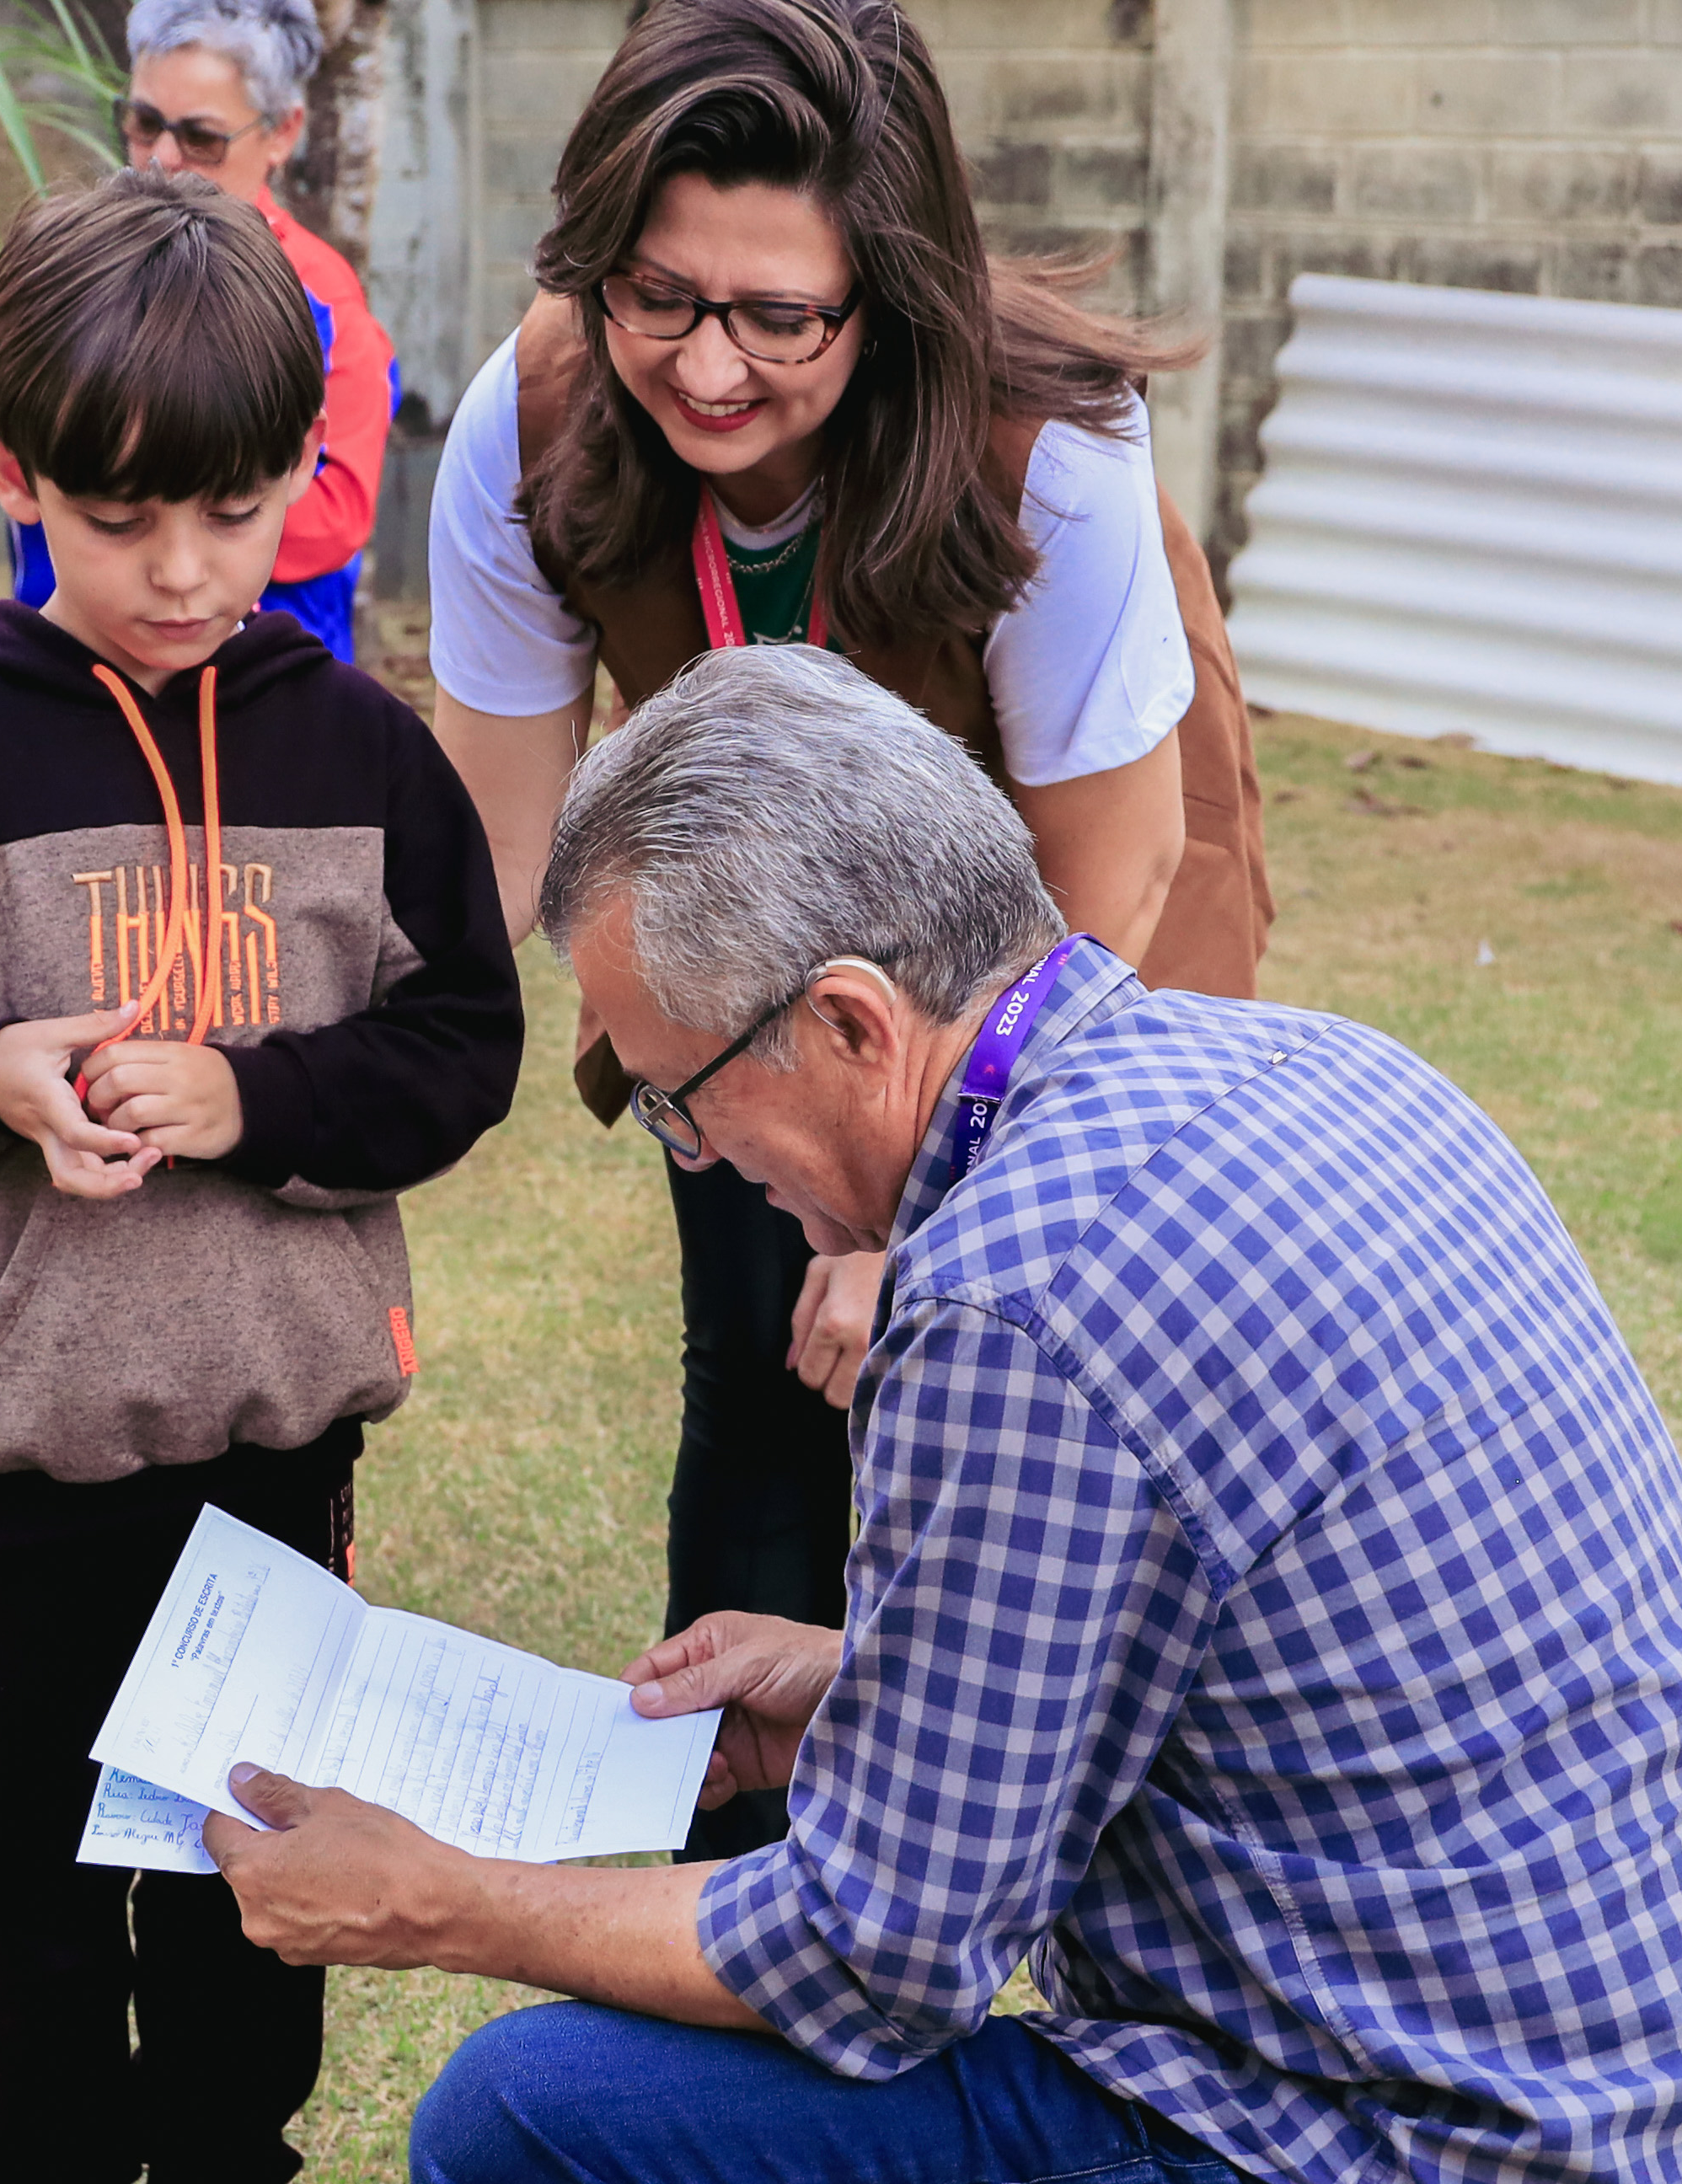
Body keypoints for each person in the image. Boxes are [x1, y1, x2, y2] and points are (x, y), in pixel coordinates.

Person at [196, 646, 1682, 2184]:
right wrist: (865, 1690)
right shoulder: (1325, 1068)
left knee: (532, 2117)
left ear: (845, 1021)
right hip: (1652, 2113)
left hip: (1389, 2136)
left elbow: (870, 1955)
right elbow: (1304, 1686)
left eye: (677, 1098)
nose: (697, 1158)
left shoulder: (1011, 1297)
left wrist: (443, 1900)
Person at [425, 0, 1274, 1852]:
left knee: (1008, 1365)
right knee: (757, 1341)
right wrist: (347, 1110)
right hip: (754, 918)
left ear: (885, 293)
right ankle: (732, 1855)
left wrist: (947, 1222)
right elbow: (490, 861)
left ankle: (1008, 1836)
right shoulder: (537, 413)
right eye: (657, 296)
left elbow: (1105, 891)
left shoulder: (1051, 454)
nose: (707, 367)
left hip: (1069, 915)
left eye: (777, 317)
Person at [0, 169, 520, 2184]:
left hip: (270, 1466)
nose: (184, 568)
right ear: (12, 471)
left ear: (306, 478)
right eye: (118, 516)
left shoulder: (365, 755)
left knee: (246, 1912)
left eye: (235, 510)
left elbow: (466, 1051)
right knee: (27, 1934)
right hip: (5, 1470)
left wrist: (258, 1100)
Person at [0, 0, 398, 663]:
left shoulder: (322, 297)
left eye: (201, 138)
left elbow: (338, 516)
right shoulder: (79, 269)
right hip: (68, 682)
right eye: (143, 124)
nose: (163, 158)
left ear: (283, 133)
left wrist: (134, 492)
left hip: (254, 691)